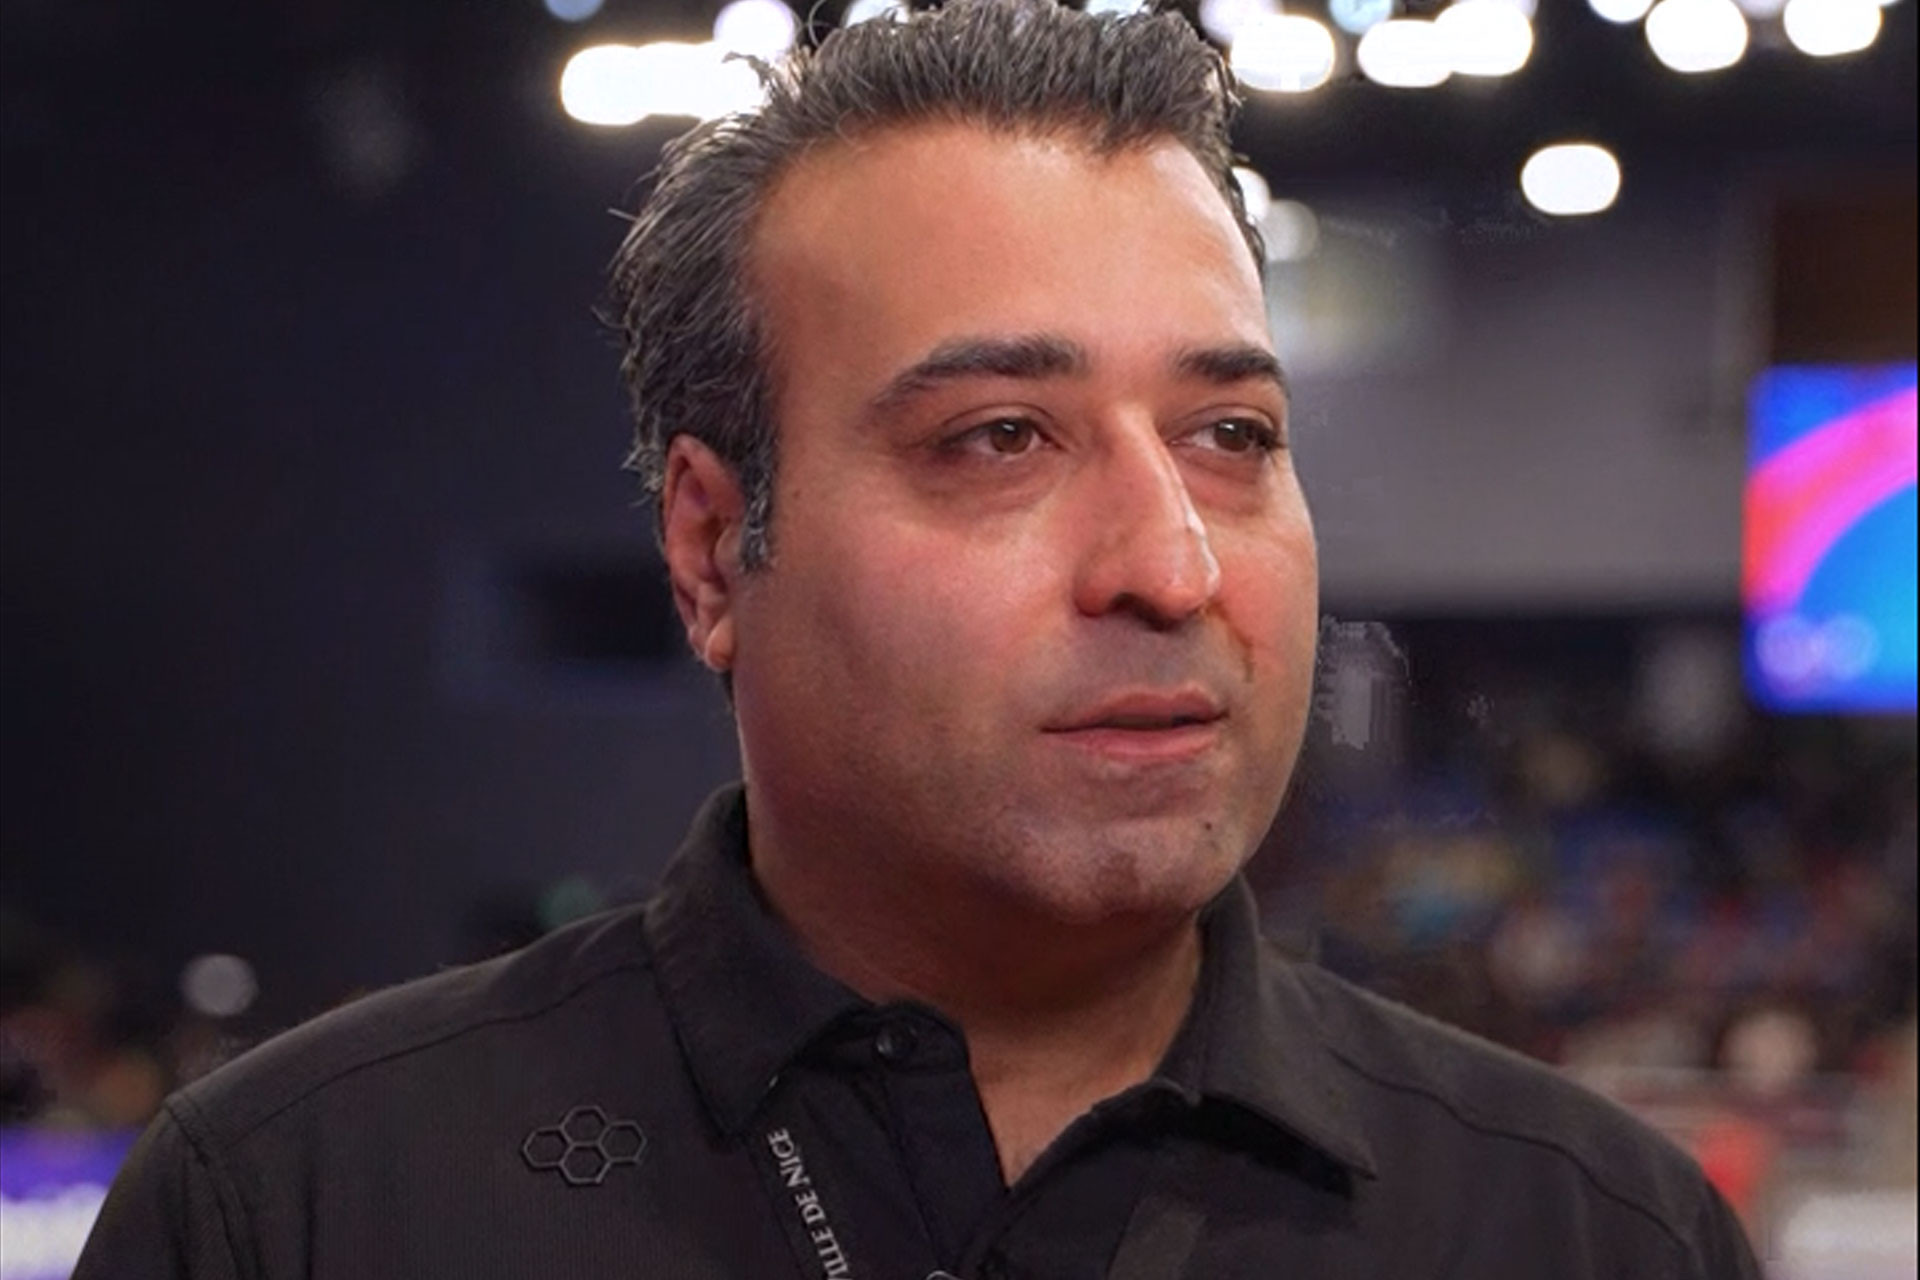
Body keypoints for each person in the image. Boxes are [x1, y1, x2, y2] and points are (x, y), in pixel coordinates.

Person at [77, 2, 1763, 1276]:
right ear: (712, 549)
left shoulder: (1594, 1235)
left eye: (1230, 436)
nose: (1171, 564)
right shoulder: (300, 1211)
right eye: (1000, 438)